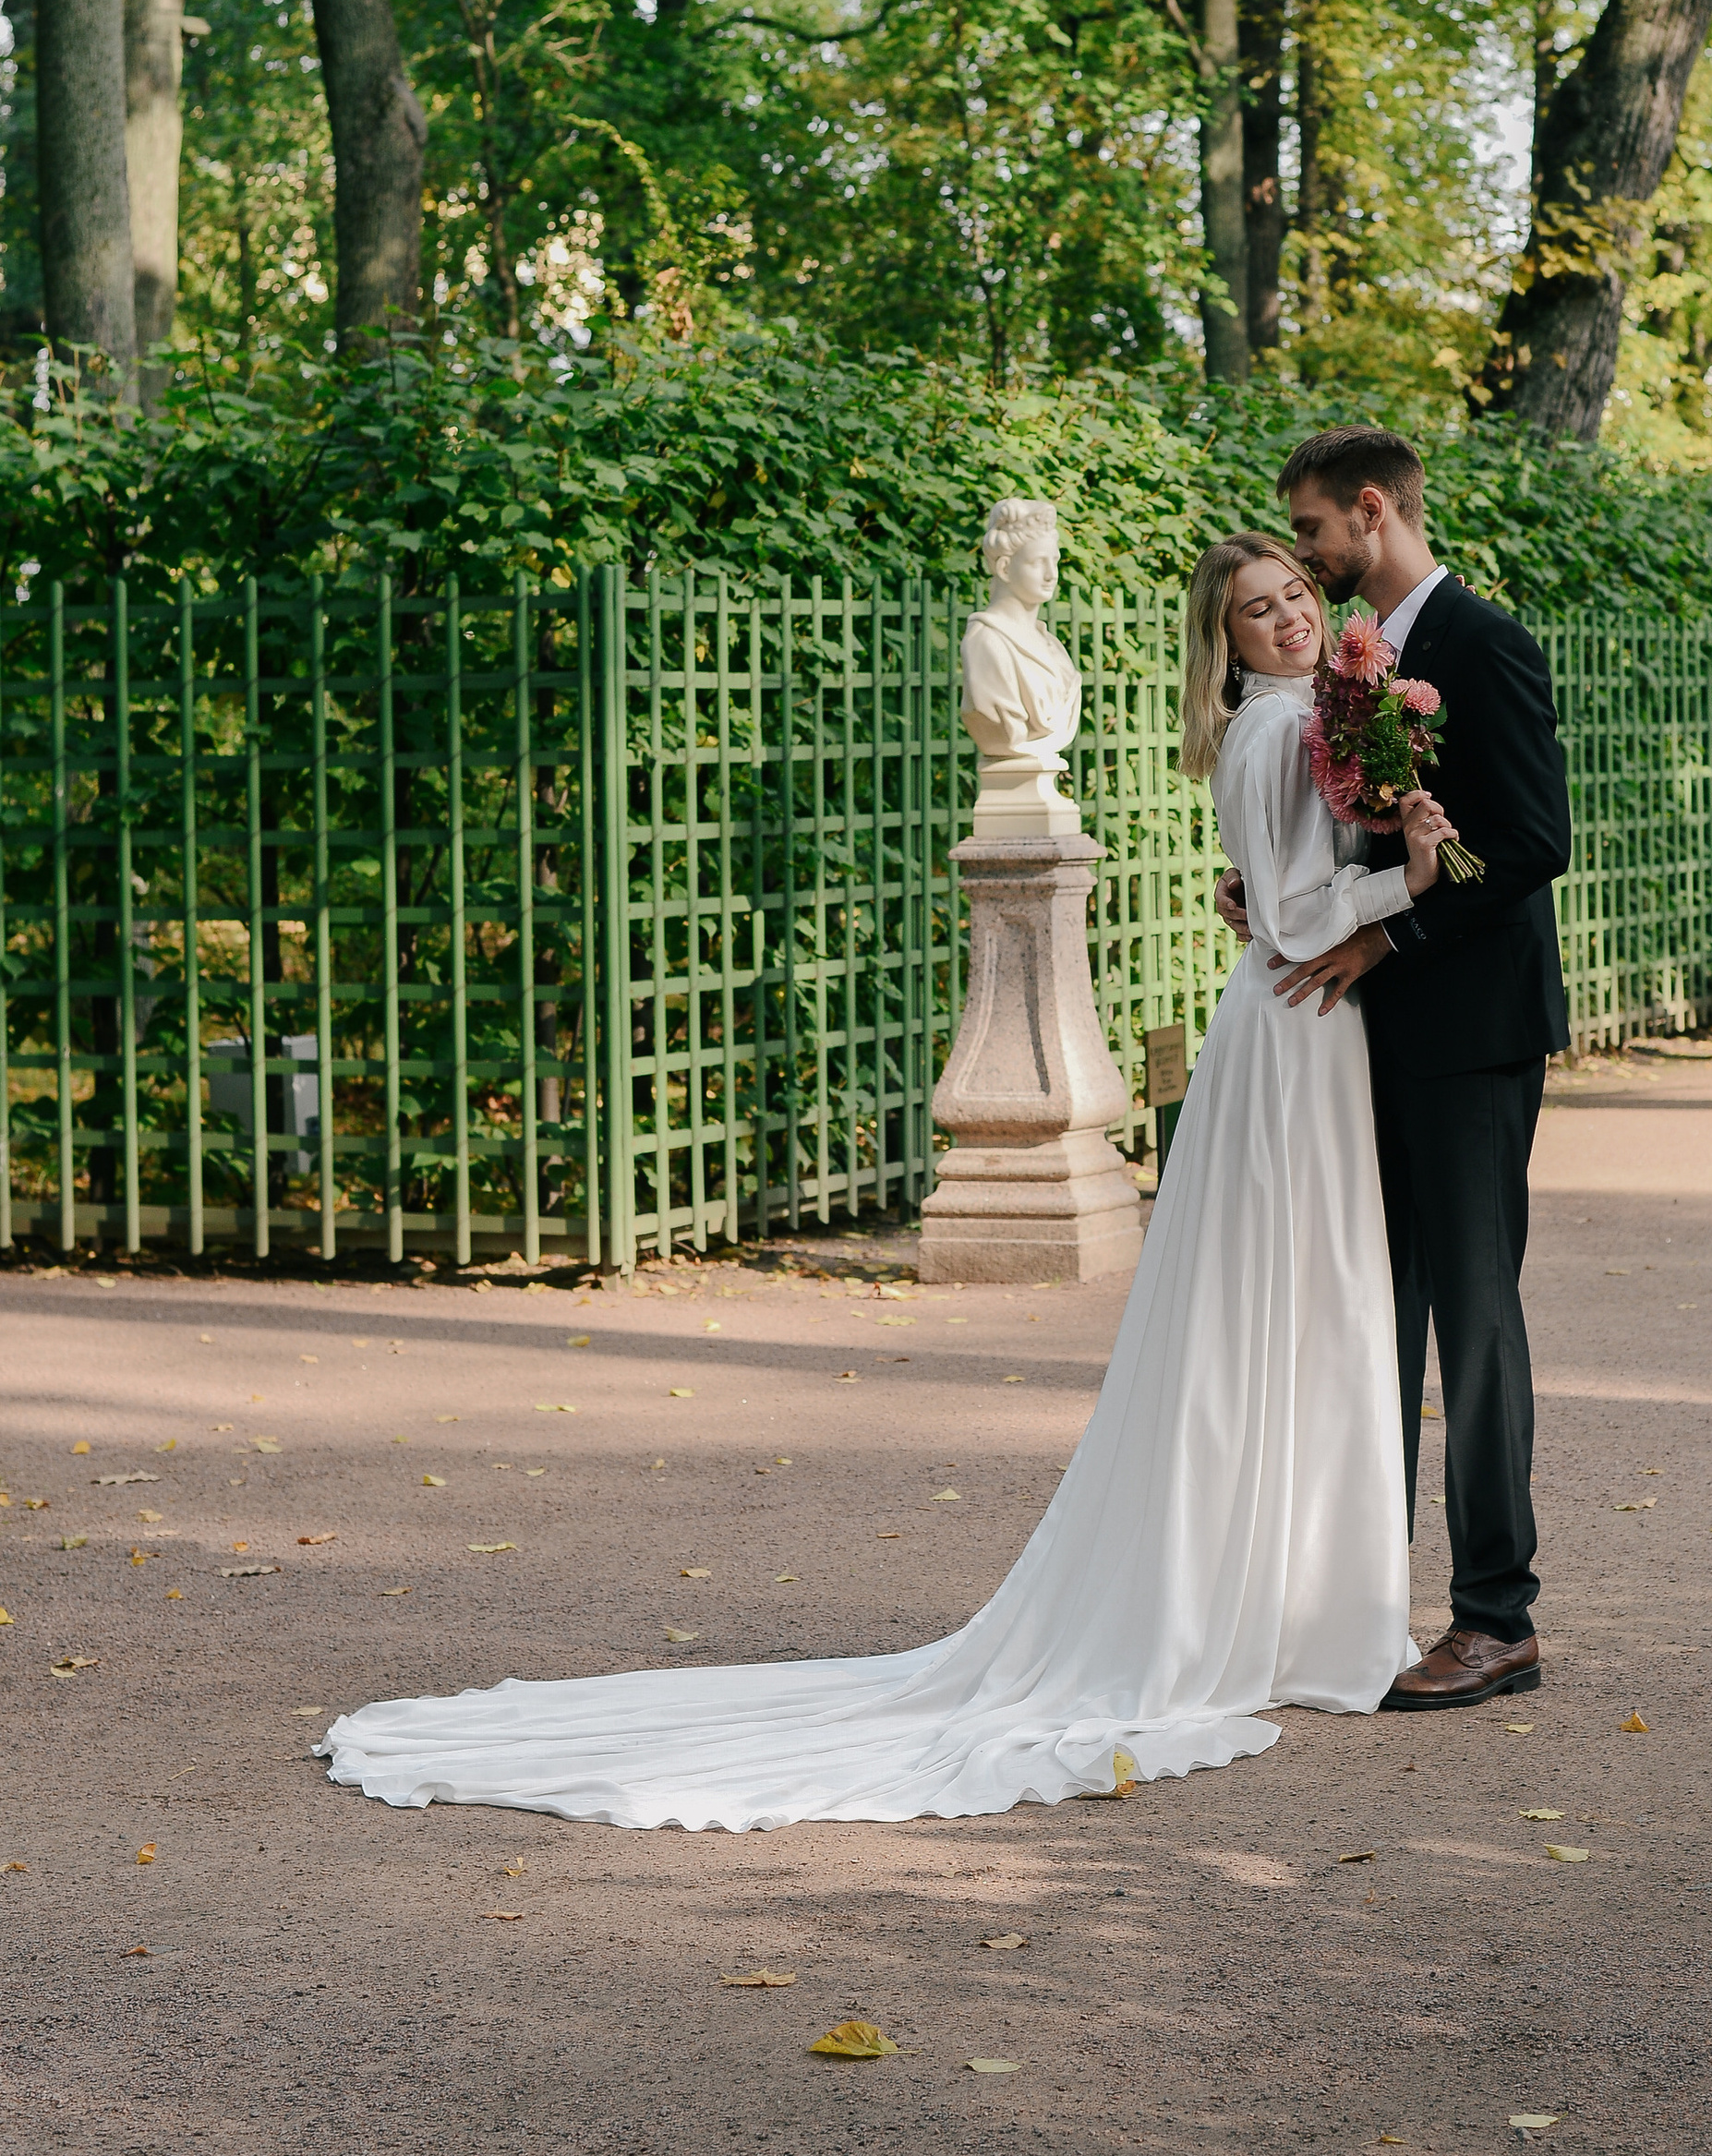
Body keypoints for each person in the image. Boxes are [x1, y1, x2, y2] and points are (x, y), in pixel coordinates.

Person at [319, 533, 1454, 1830]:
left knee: (1284, 1312)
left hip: (1285, 1036)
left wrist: (1336, 852)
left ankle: (1281, 1596)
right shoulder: (1275, 734)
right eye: (1260, 610)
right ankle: (1295, 1613)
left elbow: (1262, 891)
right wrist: (1406, 871)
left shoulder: (1309, 719)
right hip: (1299, 1029)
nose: (1292, 617)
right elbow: (1302, 915)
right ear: (1226, 639)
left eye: (1299, 596)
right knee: (1300, 1306)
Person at [1220, 426, 1571, 1712]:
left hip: (1470, 1037)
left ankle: (1498, 1615)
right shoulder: (1357, 665)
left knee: (1472, 1323)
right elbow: (1349, 829)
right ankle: (1365, 1603)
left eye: (1310, 530)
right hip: (1366, 1042)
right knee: (1385, 1317)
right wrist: (1273, 892)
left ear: (1370, 512)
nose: (1304, 559)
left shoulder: (1483, 643)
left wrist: (1396, 929)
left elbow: (1532, 844)